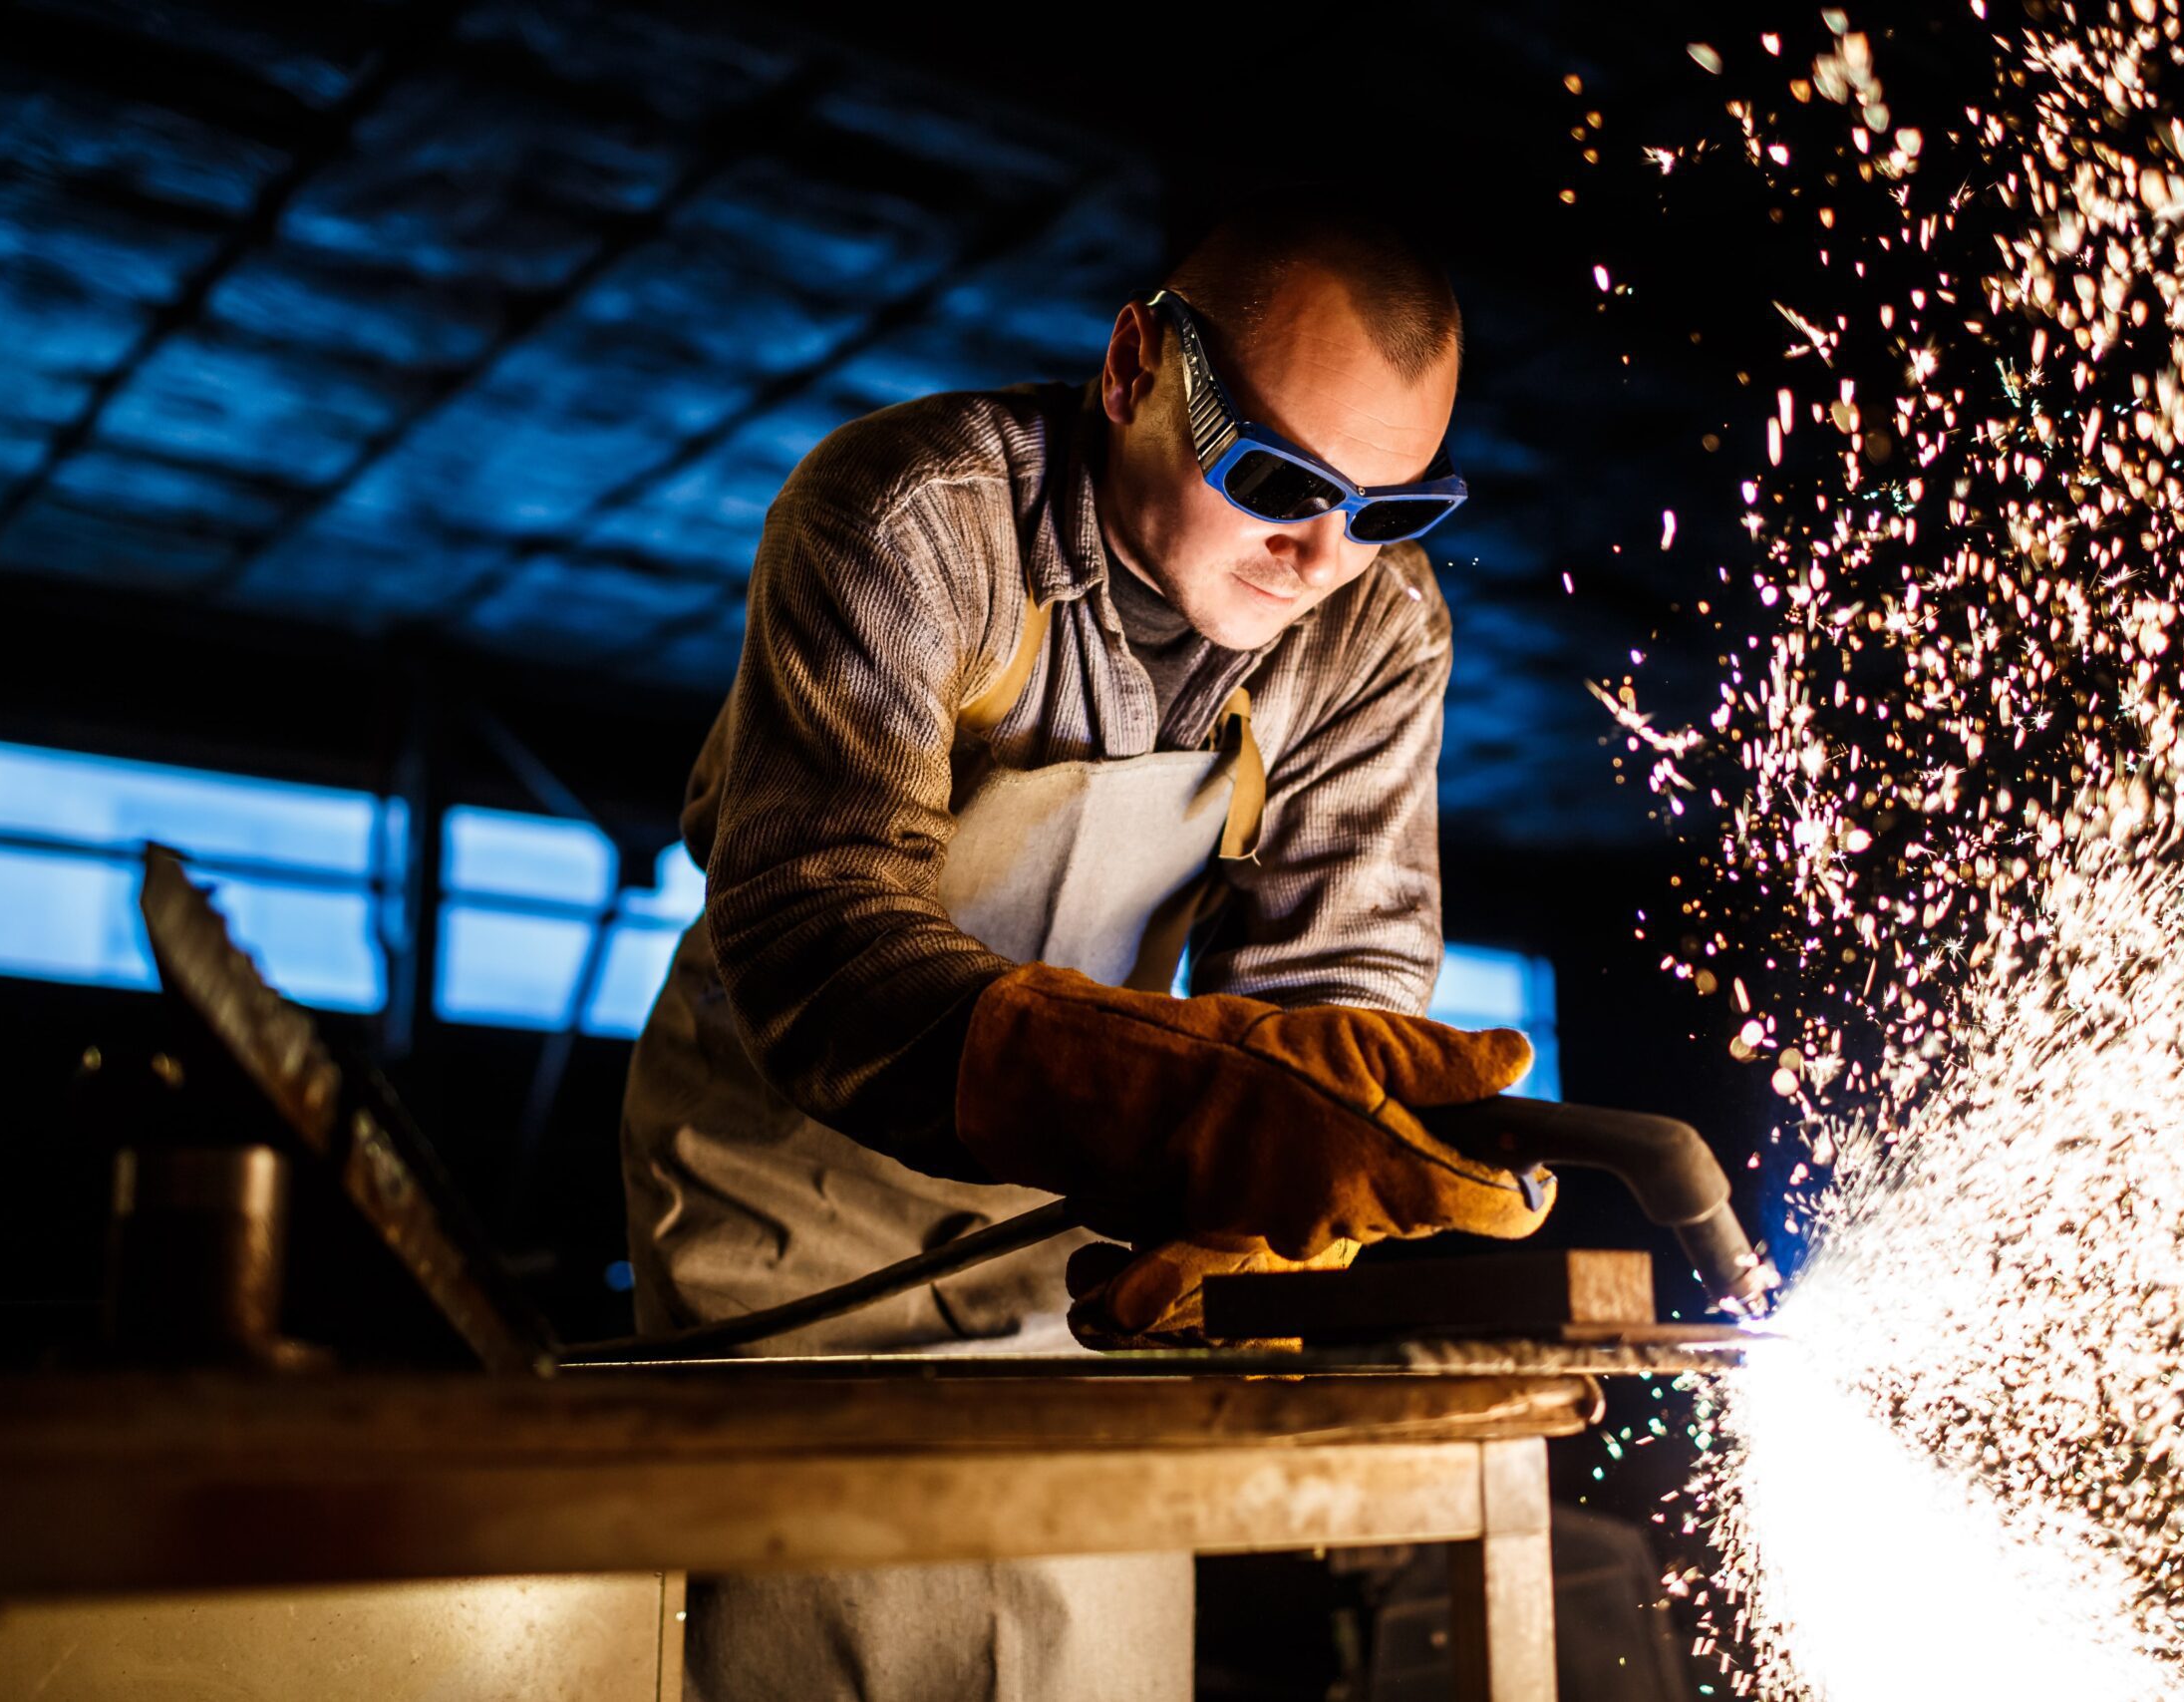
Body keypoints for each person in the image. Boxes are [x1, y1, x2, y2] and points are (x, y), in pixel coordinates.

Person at [621, 204, 1551, 1701]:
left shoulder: (1371, 627)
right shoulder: (913, 517)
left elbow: (1335, 988)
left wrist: (1266, 1198)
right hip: (793, 1201)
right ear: (1134, 370)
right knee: (814, 1639)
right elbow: (823, 942)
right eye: (1276, 479)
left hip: (1079, 1231)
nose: (1322, 557)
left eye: (1389, 510)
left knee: (1077, 1654)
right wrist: (1186, 1109)